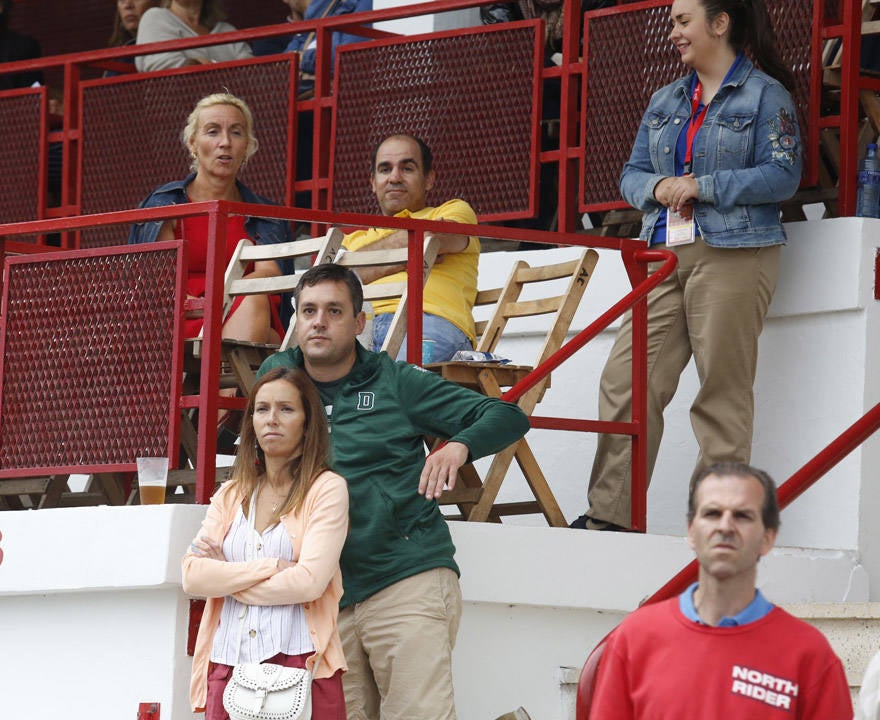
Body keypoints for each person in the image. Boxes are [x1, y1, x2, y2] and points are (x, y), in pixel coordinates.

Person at [258, 263, 530, 720]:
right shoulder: (280, 380)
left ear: (359, 323)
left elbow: (507, 416)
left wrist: (458, 446)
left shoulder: (396, 382)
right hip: (323, 594)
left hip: (405, 578)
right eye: (308, 311)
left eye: (334, 311)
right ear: (296, 320)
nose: (319, 321)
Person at [572, 0, 802, 532]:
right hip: (663, 252)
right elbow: (631, 173)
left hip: (735, 252)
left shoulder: (766, 94)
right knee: (625, 381)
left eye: (682, 21)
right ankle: (612, 516)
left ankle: (716, 523)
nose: (672, 32)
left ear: (719, 24)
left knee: (721, 389)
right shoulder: (666, 98)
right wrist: (656, 187)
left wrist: (705, 186)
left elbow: (783, 175)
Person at [590, 462, 853, 718]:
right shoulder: (635, 638)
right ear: (691, 532)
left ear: (767, 538)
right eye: (712, 513)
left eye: (742, 515)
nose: (725, 527)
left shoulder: (810, 655)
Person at [182, 366, 349, 719]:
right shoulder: (231, 494)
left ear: (308, 422)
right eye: (262, 409)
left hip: (302, 662)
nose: (272, 419)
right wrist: (272, 567)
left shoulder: (327, 489)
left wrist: (226, 575)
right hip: (228, 664)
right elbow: (193, 576)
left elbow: (309, 582)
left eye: (286, 409)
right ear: (251, 423)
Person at [127, 93, 289, 344]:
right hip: (180, 318)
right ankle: (224, 384)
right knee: (266, 336)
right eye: (212, 132)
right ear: (192, 143)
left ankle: (219, 384)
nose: (225, 142)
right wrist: (207, 306)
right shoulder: (166, 203)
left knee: (256, 301)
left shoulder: (263, 213)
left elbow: (269, 275)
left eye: (236, 133)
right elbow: (157, 283)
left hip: (239, 311)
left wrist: (219, 302)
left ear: (247, 146)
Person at [341, 134, 480, 363]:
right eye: (385, 170)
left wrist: (354, 268)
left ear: (429, 179)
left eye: (407, 168)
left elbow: (431, 237)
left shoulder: (455, 211)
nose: (395, 178)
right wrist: (415, 253)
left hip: (425, 323)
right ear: (373, 183)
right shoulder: (352, 240)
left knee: (396, 389)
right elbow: (330, 282)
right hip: (358, 328)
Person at [134, 0, 252, 73]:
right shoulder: (156, 17)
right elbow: (164, 66)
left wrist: (202, 64)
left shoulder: (227, 30)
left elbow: (251, 72)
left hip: (228, 109)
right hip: (174, 108)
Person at [282, 0, 371, 95]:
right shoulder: (320, 4)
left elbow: (346, 58)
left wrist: (303, 59)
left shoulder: (365, 3)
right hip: (304, 93)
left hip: (344, 96)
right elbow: (286, 59)